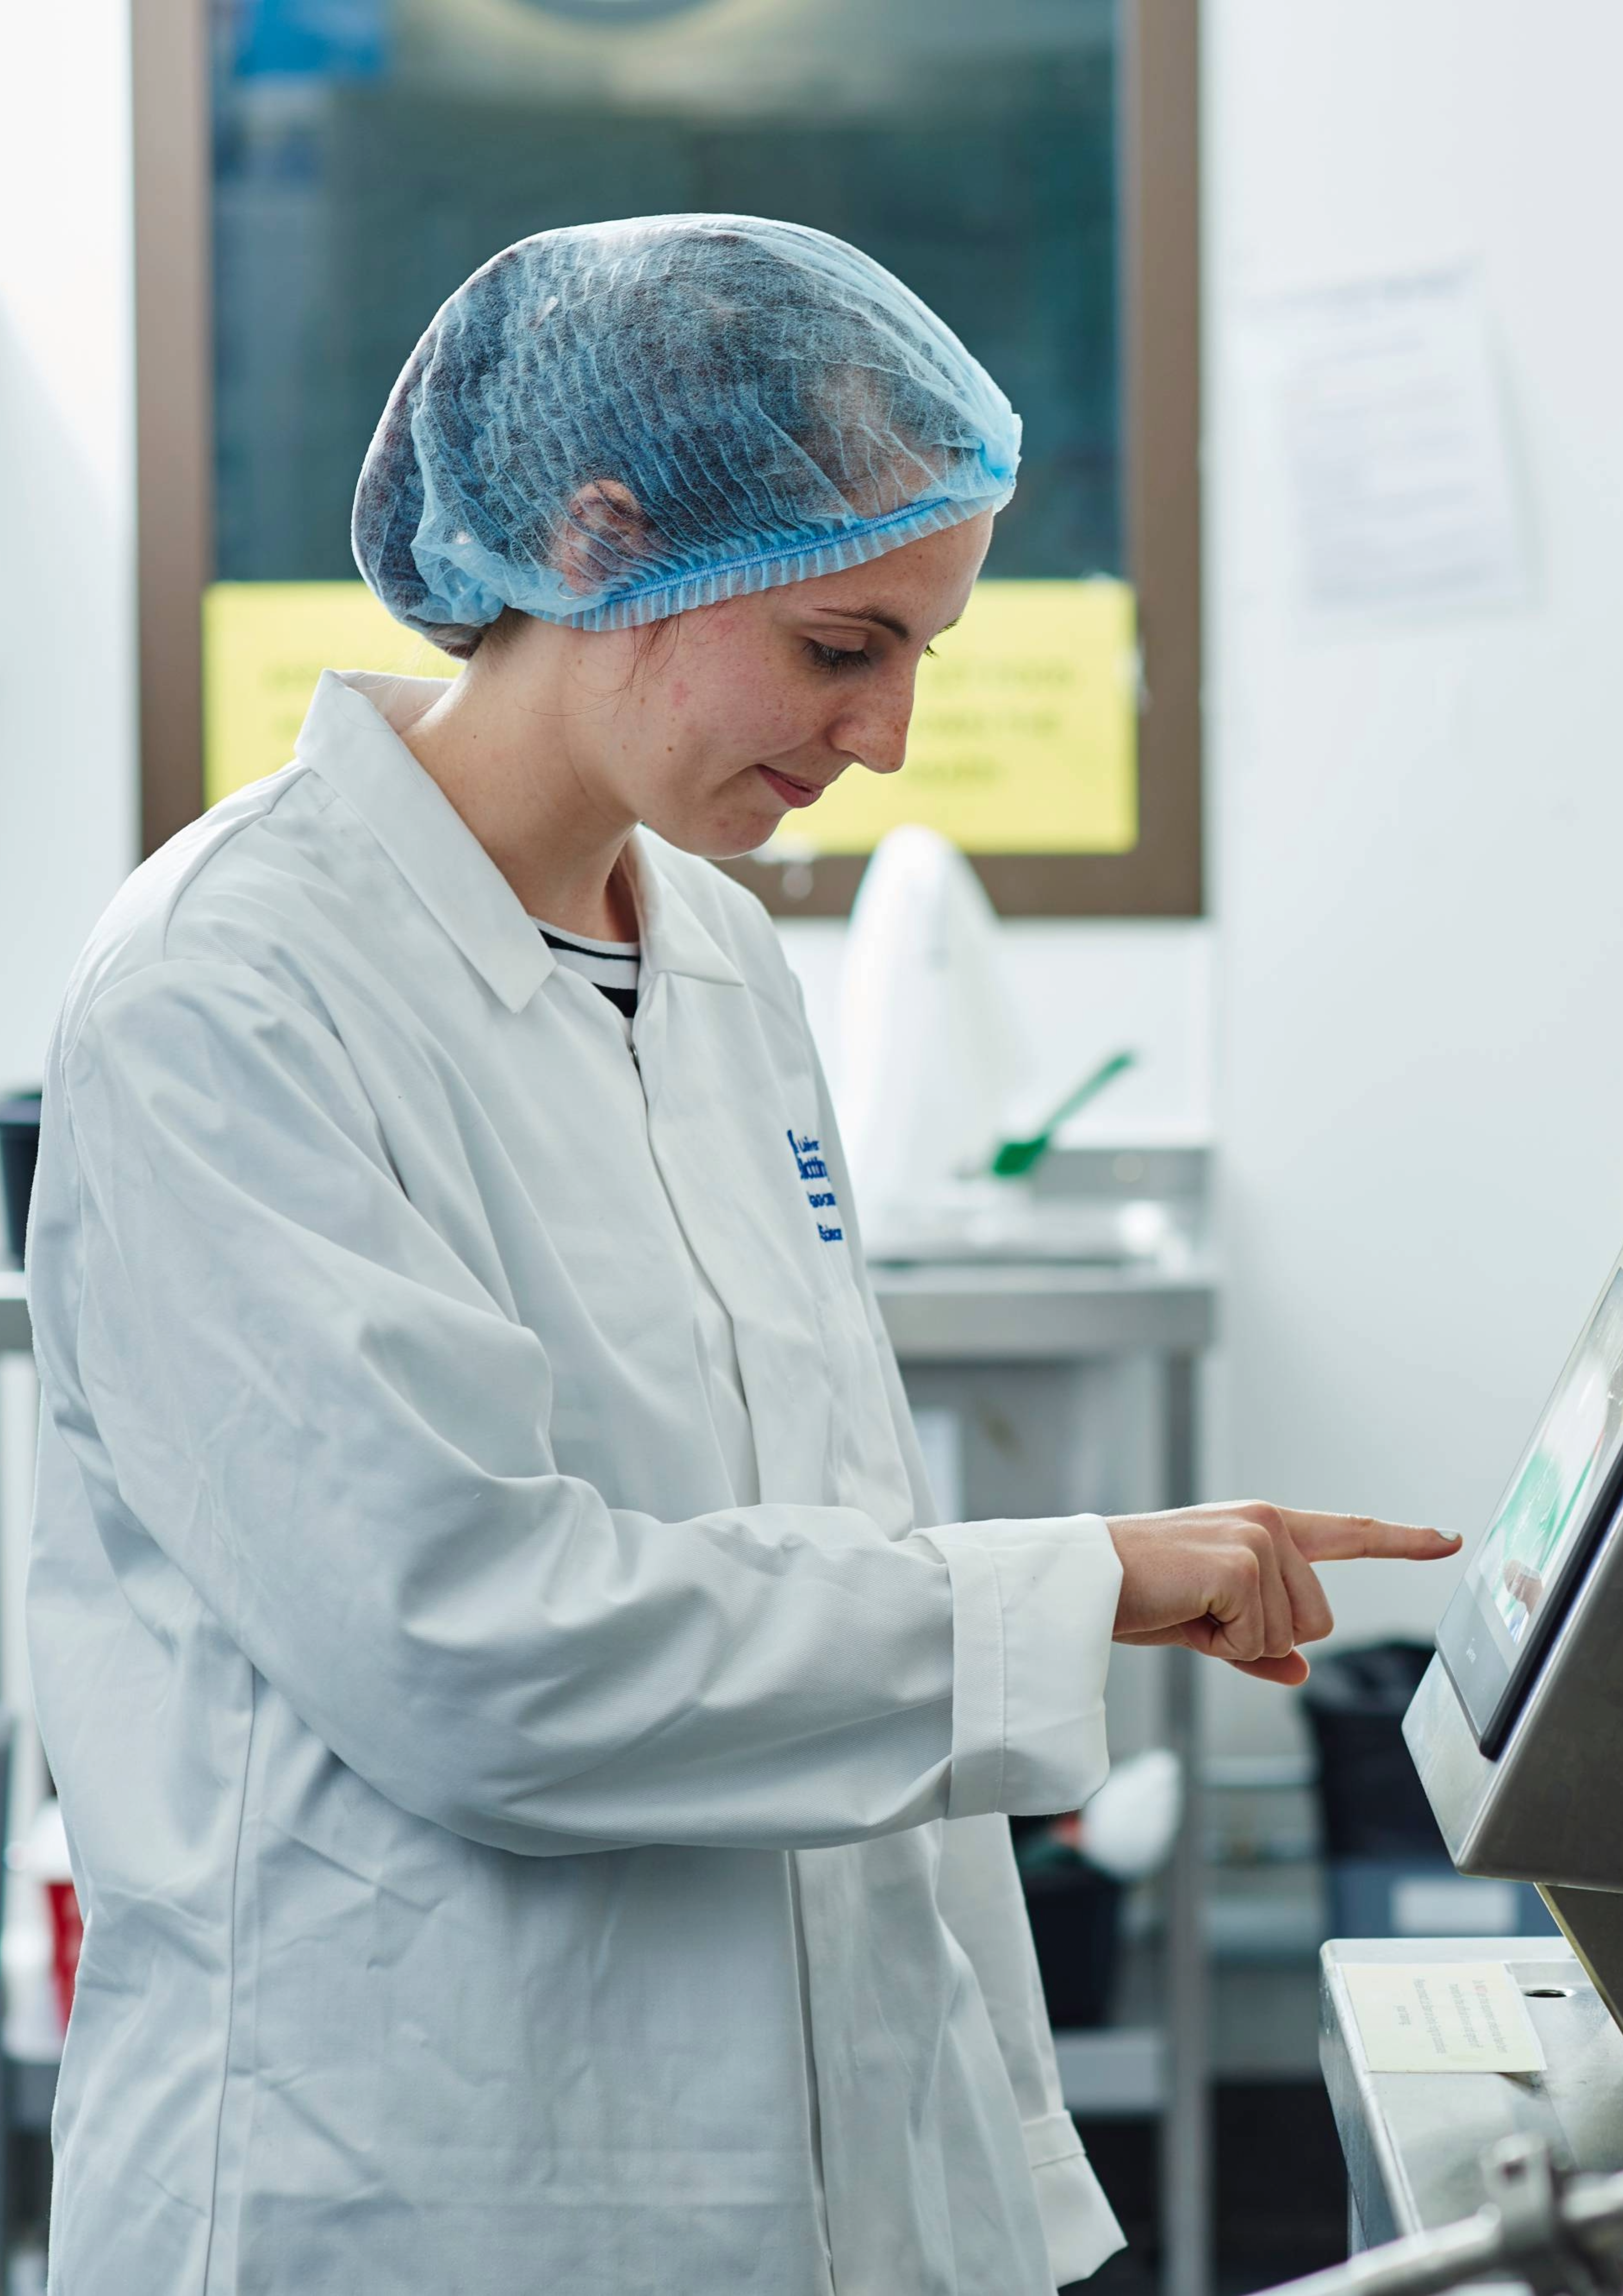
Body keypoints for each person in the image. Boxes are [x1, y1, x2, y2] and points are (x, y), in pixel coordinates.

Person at [24, 214, 1460, 2296]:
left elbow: (817, 1528)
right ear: (602, 541)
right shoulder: (228, 990)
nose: (885, 738)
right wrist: (1081, 1582)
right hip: (411, 2181)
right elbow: (481, 1652)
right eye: (838, 645)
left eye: (920, 658)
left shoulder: (705, 945)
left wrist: (977, 2178)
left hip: (788, 2177)